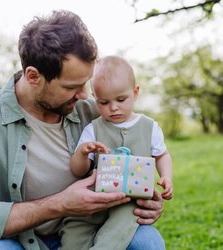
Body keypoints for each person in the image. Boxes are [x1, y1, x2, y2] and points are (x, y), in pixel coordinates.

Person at [0, 10, 164, 250]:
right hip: (19, 241)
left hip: (91, 230)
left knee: (147, 241)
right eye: (72, 86)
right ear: (33, 76)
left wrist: (146, 199)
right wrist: (60, 204)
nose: (84, 96)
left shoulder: (94, 112)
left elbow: (140, 148)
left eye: (86, 83)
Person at [58, 55, 173, 250]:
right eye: (103, 102)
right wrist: (83, 154)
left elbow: (162, 155)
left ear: (135, 93)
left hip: (130, 199)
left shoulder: (149, 127)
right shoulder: (93, 129)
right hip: (93, 199)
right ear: (95, 98)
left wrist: (166, 177)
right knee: (73, 233)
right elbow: (78, 170)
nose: (113, 107)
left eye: (121, 99)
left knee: (119, 230)